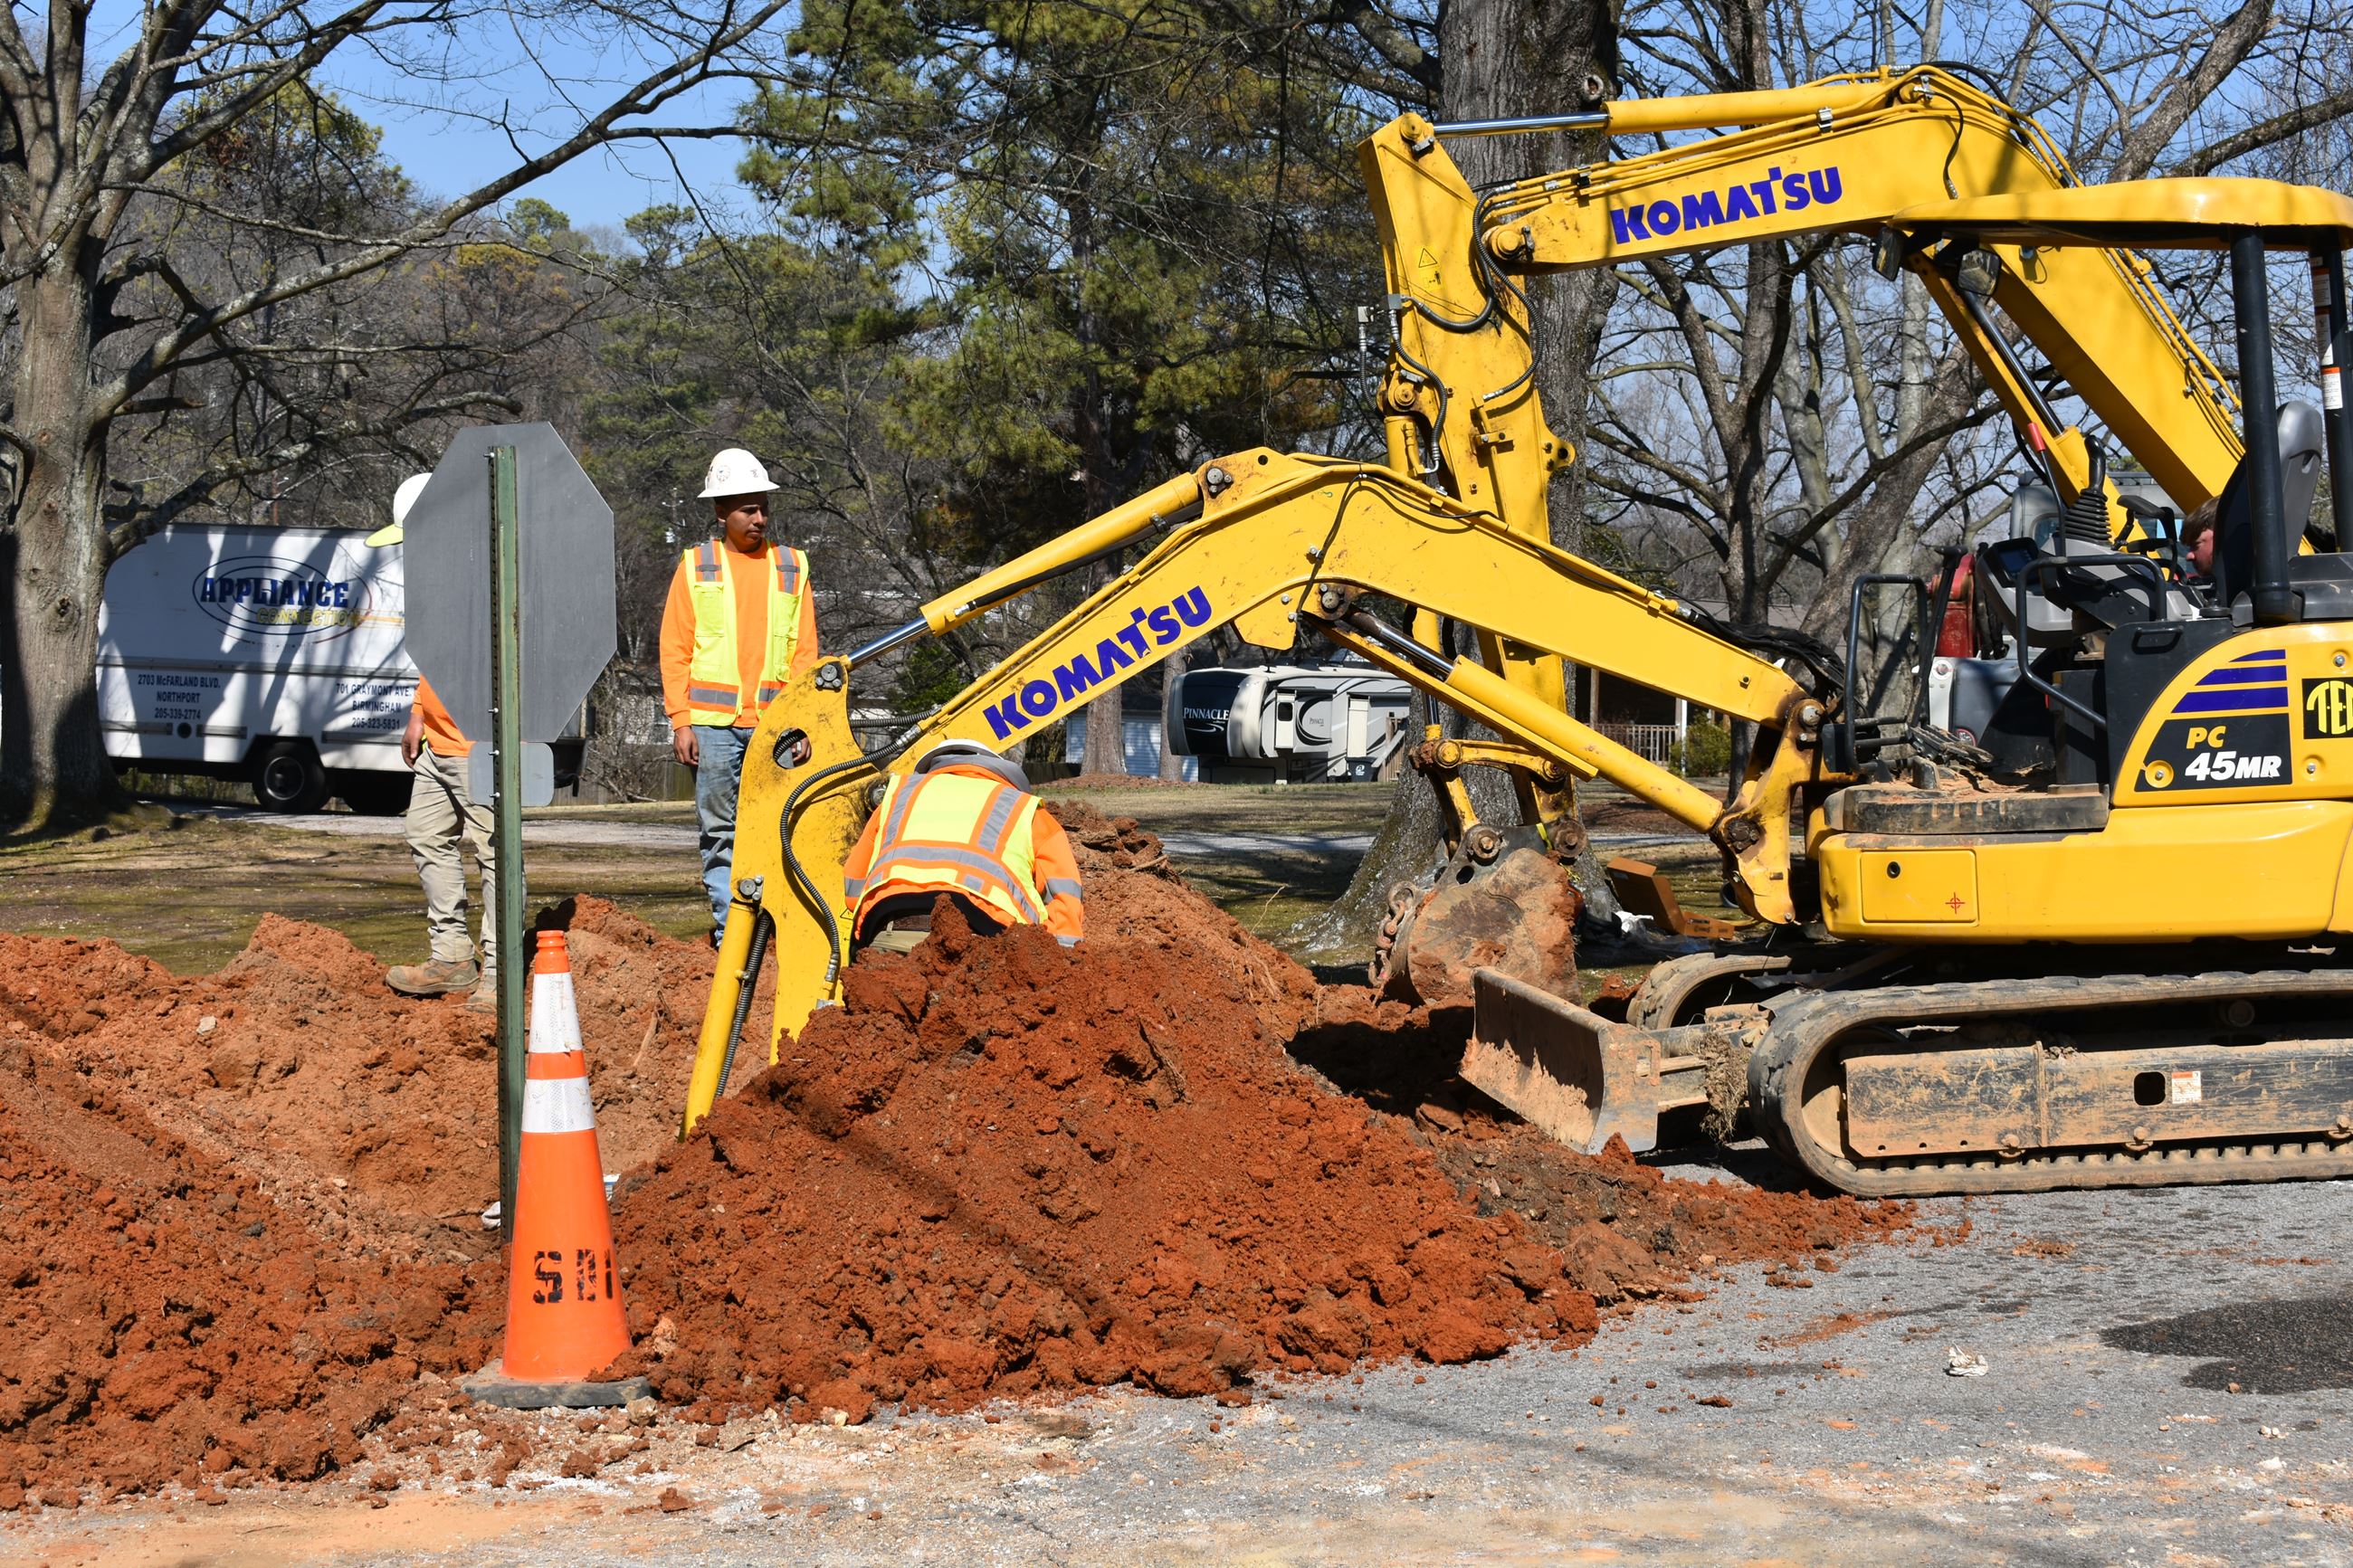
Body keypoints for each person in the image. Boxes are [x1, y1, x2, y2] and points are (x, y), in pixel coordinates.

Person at [660, 448, 821, 943]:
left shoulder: (792, 566)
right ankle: (736, 934)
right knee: (721, 833)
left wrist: (802, 723)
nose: (759, 517)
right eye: (748, 508)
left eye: (763, 507)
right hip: (712, 726)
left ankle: (777, 931)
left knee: (782, 828)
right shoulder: (695, 566)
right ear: (720, 511)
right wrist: (681, 720)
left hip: (775, 725)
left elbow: (806, 656)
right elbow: (675, 648)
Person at [370, 475, 500, 1011]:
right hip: (438, 742)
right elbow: (436, 657)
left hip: (481, 743)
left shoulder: (487, 576)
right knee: (426, 835)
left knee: (496, 855)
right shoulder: (438, 579)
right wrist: (418, 712)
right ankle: (452, 958)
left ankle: (498, 969)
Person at [840, 740, 1084, 957]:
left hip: (889, 927)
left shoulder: (897, 798)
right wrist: (1061, 956)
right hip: (986, 937)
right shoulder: (1025, 809)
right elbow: (1064, 897)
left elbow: (854, 888)